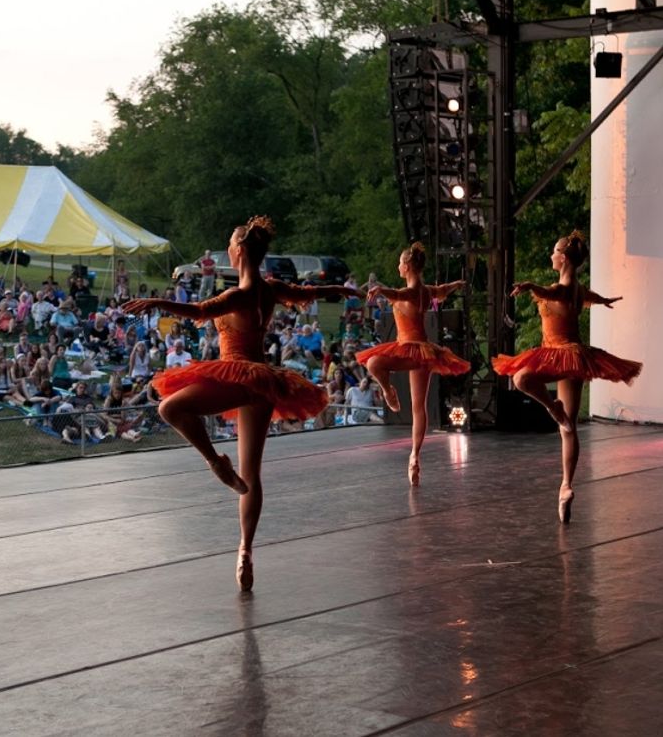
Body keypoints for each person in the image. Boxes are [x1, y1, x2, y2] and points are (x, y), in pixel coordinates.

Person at [123, 216, 359, 591]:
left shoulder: (239, 296)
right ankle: (245, 551)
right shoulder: (270, 289)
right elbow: (305, 293)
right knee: (251, 475)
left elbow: (200, 312)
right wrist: (343, 290)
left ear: (239, 251)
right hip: (264, 383)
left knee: (170, 408)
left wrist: (156, 301)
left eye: (230, 243)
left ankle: (216, 462)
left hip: (240, 375)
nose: (228, 249)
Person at [492, 230, 641, 524]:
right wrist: (604, 299)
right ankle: (565, 486)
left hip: (557, 353)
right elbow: (588, 296)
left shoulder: (563, 286)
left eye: (553, 250)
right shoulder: (578, 288)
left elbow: (552, 293)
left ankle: (551, 407)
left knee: (521, 379)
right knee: (568, 428)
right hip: (574, 357)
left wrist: (529, 285)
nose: (550, 255)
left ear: (562, 257)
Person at [358, 242, 470, 484]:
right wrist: (456, 285)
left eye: (400, 262)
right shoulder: (426, 290)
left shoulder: (411, 291)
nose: (398, 266)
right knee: (418, 407)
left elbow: (398, 295)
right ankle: (414, 457)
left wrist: (380, 290)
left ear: (407, 266)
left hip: (410, 348)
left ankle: (388, 391)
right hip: (424, 353)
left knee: (374, 363)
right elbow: (442, 290)